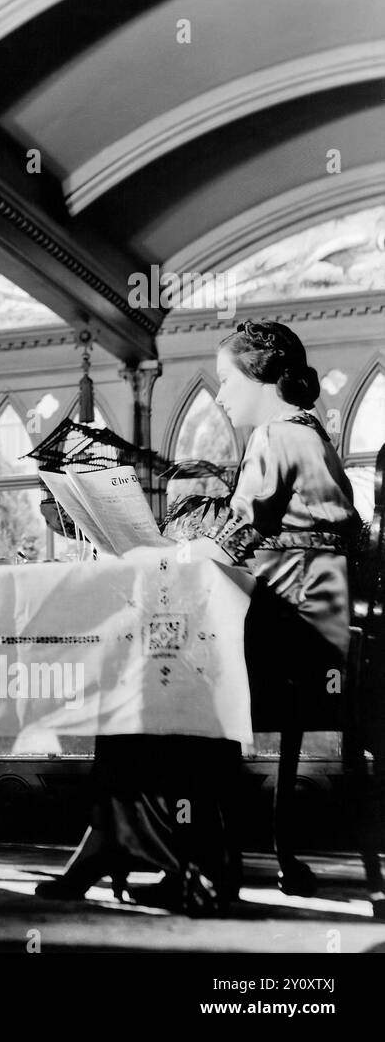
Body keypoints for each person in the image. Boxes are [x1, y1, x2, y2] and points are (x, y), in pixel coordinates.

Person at [36, 319, 360, 914]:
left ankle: (147, 847)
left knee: (154, 668)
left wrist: (144, 549)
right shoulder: (301, 433)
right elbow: (249, 543)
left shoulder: (278, 434)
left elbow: (232, 542)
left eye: (226, 379)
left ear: (262, 379)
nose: (219, 394)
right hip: (307, 636)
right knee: (159, 662)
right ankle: (180, 853)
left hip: (295, 641)